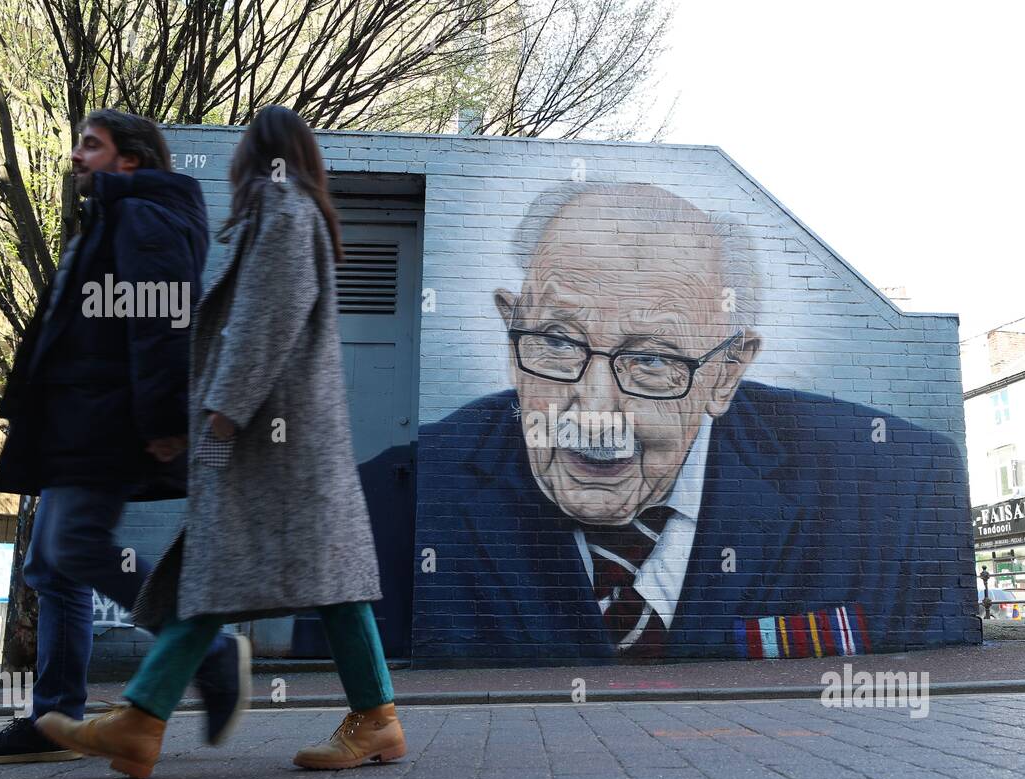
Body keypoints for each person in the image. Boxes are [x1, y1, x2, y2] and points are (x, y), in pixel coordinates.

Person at [410, 182, 976, 663]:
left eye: (652, 359)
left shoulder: (902, 491)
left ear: (725, 374)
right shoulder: (413, 488)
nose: (597, 411)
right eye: (558, 342)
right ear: (513, 334)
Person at [38, 105, 402, 779]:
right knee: (267, 578)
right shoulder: (294, 210)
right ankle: (144, 723)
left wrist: (223, 414)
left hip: (271, 442)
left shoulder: (283, 209)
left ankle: (144, 720)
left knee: (236, 578)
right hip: (288, 447)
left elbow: (266, 320)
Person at [0, 111, 246, 766]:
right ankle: (54, 719)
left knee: (75, 547)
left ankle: (205, 646)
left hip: (105, 419)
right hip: (74, 420)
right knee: (51, 566)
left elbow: (164, 317)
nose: (76, 156)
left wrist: (164, 419)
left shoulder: (145, 216)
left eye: (92, 145)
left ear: (130, 159)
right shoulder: (113, 215)